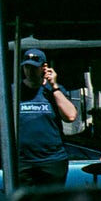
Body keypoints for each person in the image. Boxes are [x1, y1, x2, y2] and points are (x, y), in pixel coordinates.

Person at [9, 45, 79, 188]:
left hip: (52, 160)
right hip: (23, 160)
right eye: (27, 67)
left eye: (34, 67)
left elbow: (71, 116)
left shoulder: (52, 90)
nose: (29, 71)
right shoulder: (14, 91)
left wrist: (54, 86)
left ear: (43, 68)